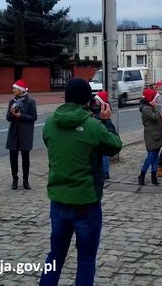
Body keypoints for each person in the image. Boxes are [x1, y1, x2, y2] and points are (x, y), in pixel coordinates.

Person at [40, 78, 122, 286]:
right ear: (88, 101)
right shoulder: (93, 126)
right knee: (86, 259)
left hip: (58, 201)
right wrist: (106, 121)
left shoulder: (49, 123)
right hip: (86, 202)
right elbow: (114, 146)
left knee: (55, 257)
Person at [6, 79, 37, 190]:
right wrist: (12, 113)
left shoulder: (30, 101)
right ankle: (15, 179)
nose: (12, 90)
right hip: (13, 133)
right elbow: (8, 118)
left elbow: (34, 117)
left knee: (25, 158)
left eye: (14, 88)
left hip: (25, 133)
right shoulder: (12, 101)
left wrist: (21, 116)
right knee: (13, 158)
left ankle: (25, 180)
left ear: (20, 90)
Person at [138, 88, 162, 185]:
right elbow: (155, 117)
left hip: (157, 136)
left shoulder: (150, 108)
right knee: (150, 157)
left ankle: (153, 176)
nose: (157, 101)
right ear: (150, 100)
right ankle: (142, 175)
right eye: (155, 99)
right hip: (151, 137)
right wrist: (157, 108)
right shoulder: (147, 109)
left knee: (155, 158)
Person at [89, 91, 116, 180]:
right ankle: (105, 172)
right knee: (103, 155)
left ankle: (105, 173)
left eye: (97, 99)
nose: (95, 101)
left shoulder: (100, 108)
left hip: (102, 134)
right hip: (103, 134)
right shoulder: (103, 106)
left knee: (104, 155)